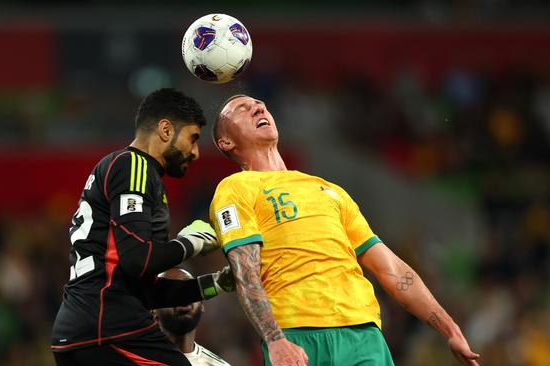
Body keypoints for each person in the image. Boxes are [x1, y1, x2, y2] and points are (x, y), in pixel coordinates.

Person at [209, 94, 481, 366]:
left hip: (363, 335)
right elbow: (245, 270)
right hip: (297, 337)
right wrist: (274, 339)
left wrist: (450, 329)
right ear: (226, 142)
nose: (258, 107)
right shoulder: (235, 189)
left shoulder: (331, 191)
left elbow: (392, 270)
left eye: (261, 105)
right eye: (243, 109)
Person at [51, 88, 231, 366]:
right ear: (166, 129)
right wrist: (190, 243)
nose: (195, 152)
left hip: (85, 333)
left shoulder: (132, 173)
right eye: (193, 138)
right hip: (111, 330)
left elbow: (142, 290)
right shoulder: (133, 164)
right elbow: (138, 260)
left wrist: (213, 284)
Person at [153, 267, 232, 366]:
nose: (183, 296)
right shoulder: (134, 358)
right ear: (153, 310)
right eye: (170, 291)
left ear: (202, 304)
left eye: (190, 290)